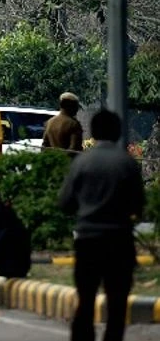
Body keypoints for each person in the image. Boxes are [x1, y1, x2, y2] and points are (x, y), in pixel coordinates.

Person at [59, 109, 144, 341]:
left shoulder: (81, 162)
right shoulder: (127, 163)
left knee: (86, 300)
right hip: (119, 241)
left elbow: (65, 203)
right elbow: (138, 204)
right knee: (117, 305)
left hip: (88, 241)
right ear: (118, 132)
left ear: (93, 132)